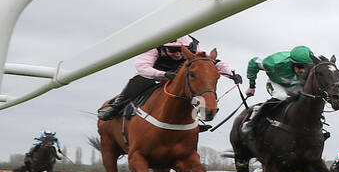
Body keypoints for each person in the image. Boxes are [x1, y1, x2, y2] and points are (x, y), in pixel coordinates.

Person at [97, 37, 238, 120]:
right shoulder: (153, 46)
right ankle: (116, 107)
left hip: (180, 77)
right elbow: (142, 67)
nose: (177, 55)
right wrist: (162, 74)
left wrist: (231, 73)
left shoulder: (193, 45)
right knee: (137, 81)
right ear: (164, 48)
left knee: (193, 88)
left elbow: (211, 61)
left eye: (180, 51)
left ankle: (193, 121)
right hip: (157, 75)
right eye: (173, 51)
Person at [243, 45, 316, 137]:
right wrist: (252, 86)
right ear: (292, 63)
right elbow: (253, 62)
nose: (304, 70)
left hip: (296, 86)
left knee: (307, 101)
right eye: (300, 66)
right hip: (276, 84)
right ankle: (252, 122)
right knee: (281, 97)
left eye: (307, 67)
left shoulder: (312, 69)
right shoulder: (274, 63)